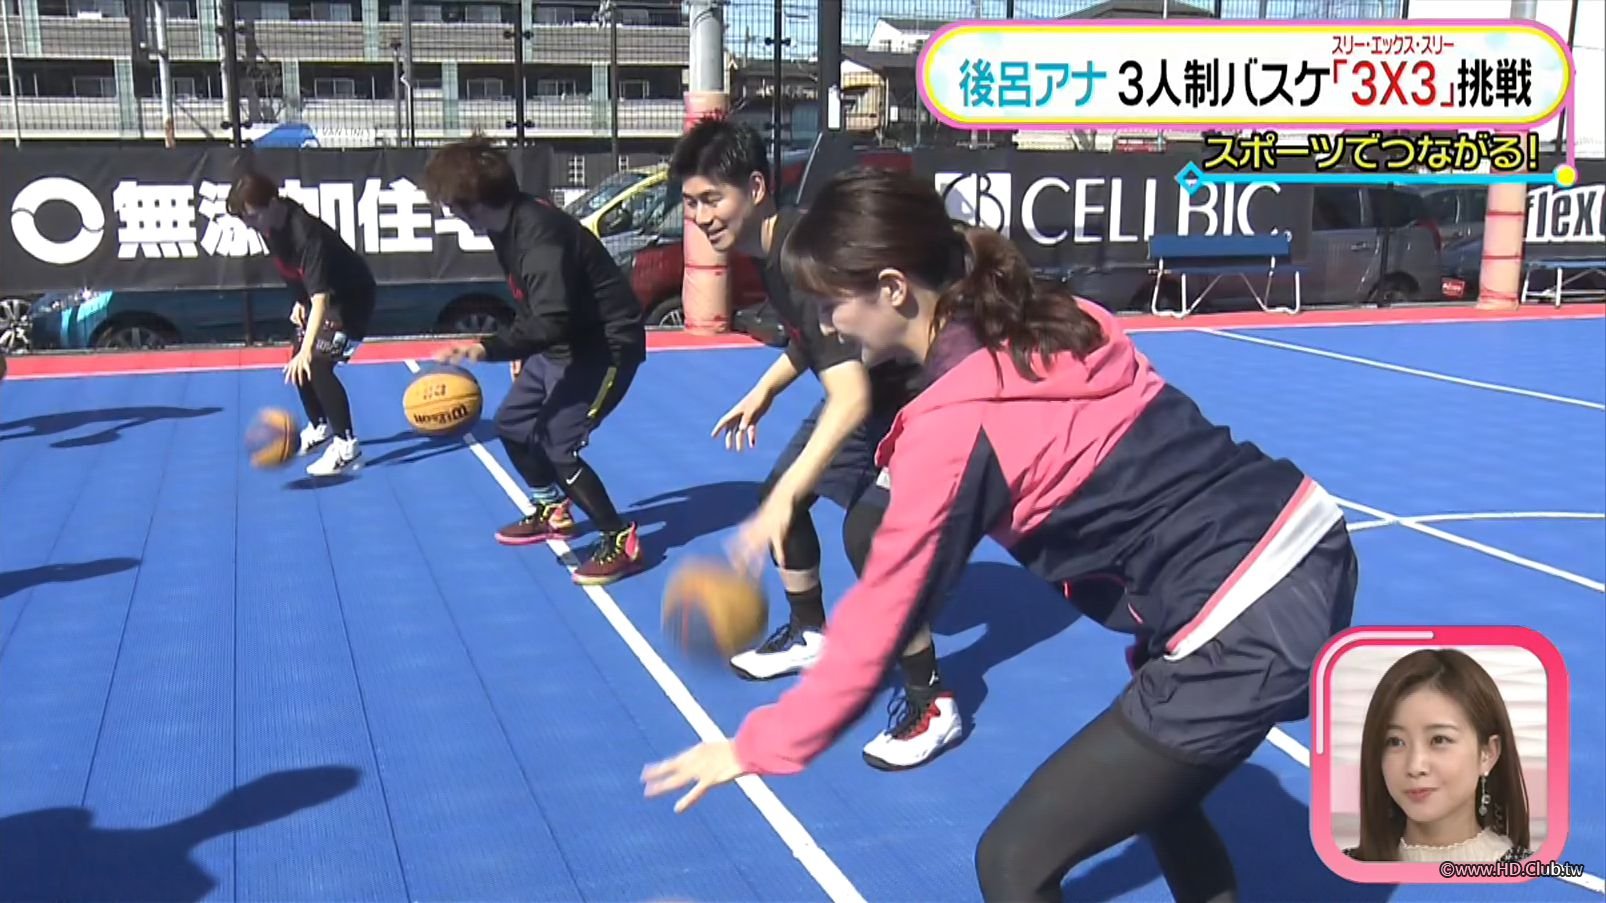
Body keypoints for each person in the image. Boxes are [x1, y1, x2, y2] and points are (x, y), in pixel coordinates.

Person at [642, 167, 1360, 902]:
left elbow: (880, 621)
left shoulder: (955, 425)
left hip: (1245, 610)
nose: (826, 326)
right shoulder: (1055, 315)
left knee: (1014, 863)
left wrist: (757, 745)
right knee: (1161, 800)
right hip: (1303, 534)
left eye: (832, 304)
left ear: (893, 288)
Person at [669, 118, 961, 770]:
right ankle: (809, 632)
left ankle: (931, 698)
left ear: (755, 188)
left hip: (921, 392)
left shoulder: (799, 250)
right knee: (783, 492)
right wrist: (766, 389)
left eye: (712, 199)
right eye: (690, 203)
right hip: (874, 388)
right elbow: (818, 338)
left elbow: (848, 395)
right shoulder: (775, 248)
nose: (701, 216)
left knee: (868, 532)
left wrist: (785, 497)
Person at [423, 139, 646, 587]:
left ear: (477, 202)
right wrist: (524, 348)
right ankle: (552, 508)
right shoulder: (505, 224)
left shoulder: (539, 236)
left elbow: (551, 319)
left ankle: (619, 536)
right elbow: (535, 301)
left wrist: (488, 348)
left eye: (453, 204)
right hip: (561, 344)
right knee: (512, 423)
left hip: (605, 349)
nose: (450, 211)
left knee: (557, 445)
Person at [228, 170, 376, 477]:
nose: (249, 224)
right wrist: (299, 300)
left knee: (316, 362)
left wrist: (309, 349)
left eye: (252, 216)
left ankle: (347, 447)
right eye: (244, 219)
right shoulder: (270, 225)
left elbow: (321, 297)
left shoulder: (305, 233)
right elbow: (291, 270)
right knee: (297, 353)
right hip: (325, 298)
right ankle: (320, 426)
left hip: (351, 300)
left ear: (272, 203)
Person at [1346, 648, 1532, 863]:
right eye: (1395, 742)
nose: (1415, 766)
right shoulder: (1336, 871)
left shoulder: (1536, 874)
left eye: (1439, 740)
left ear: (1487, 754)